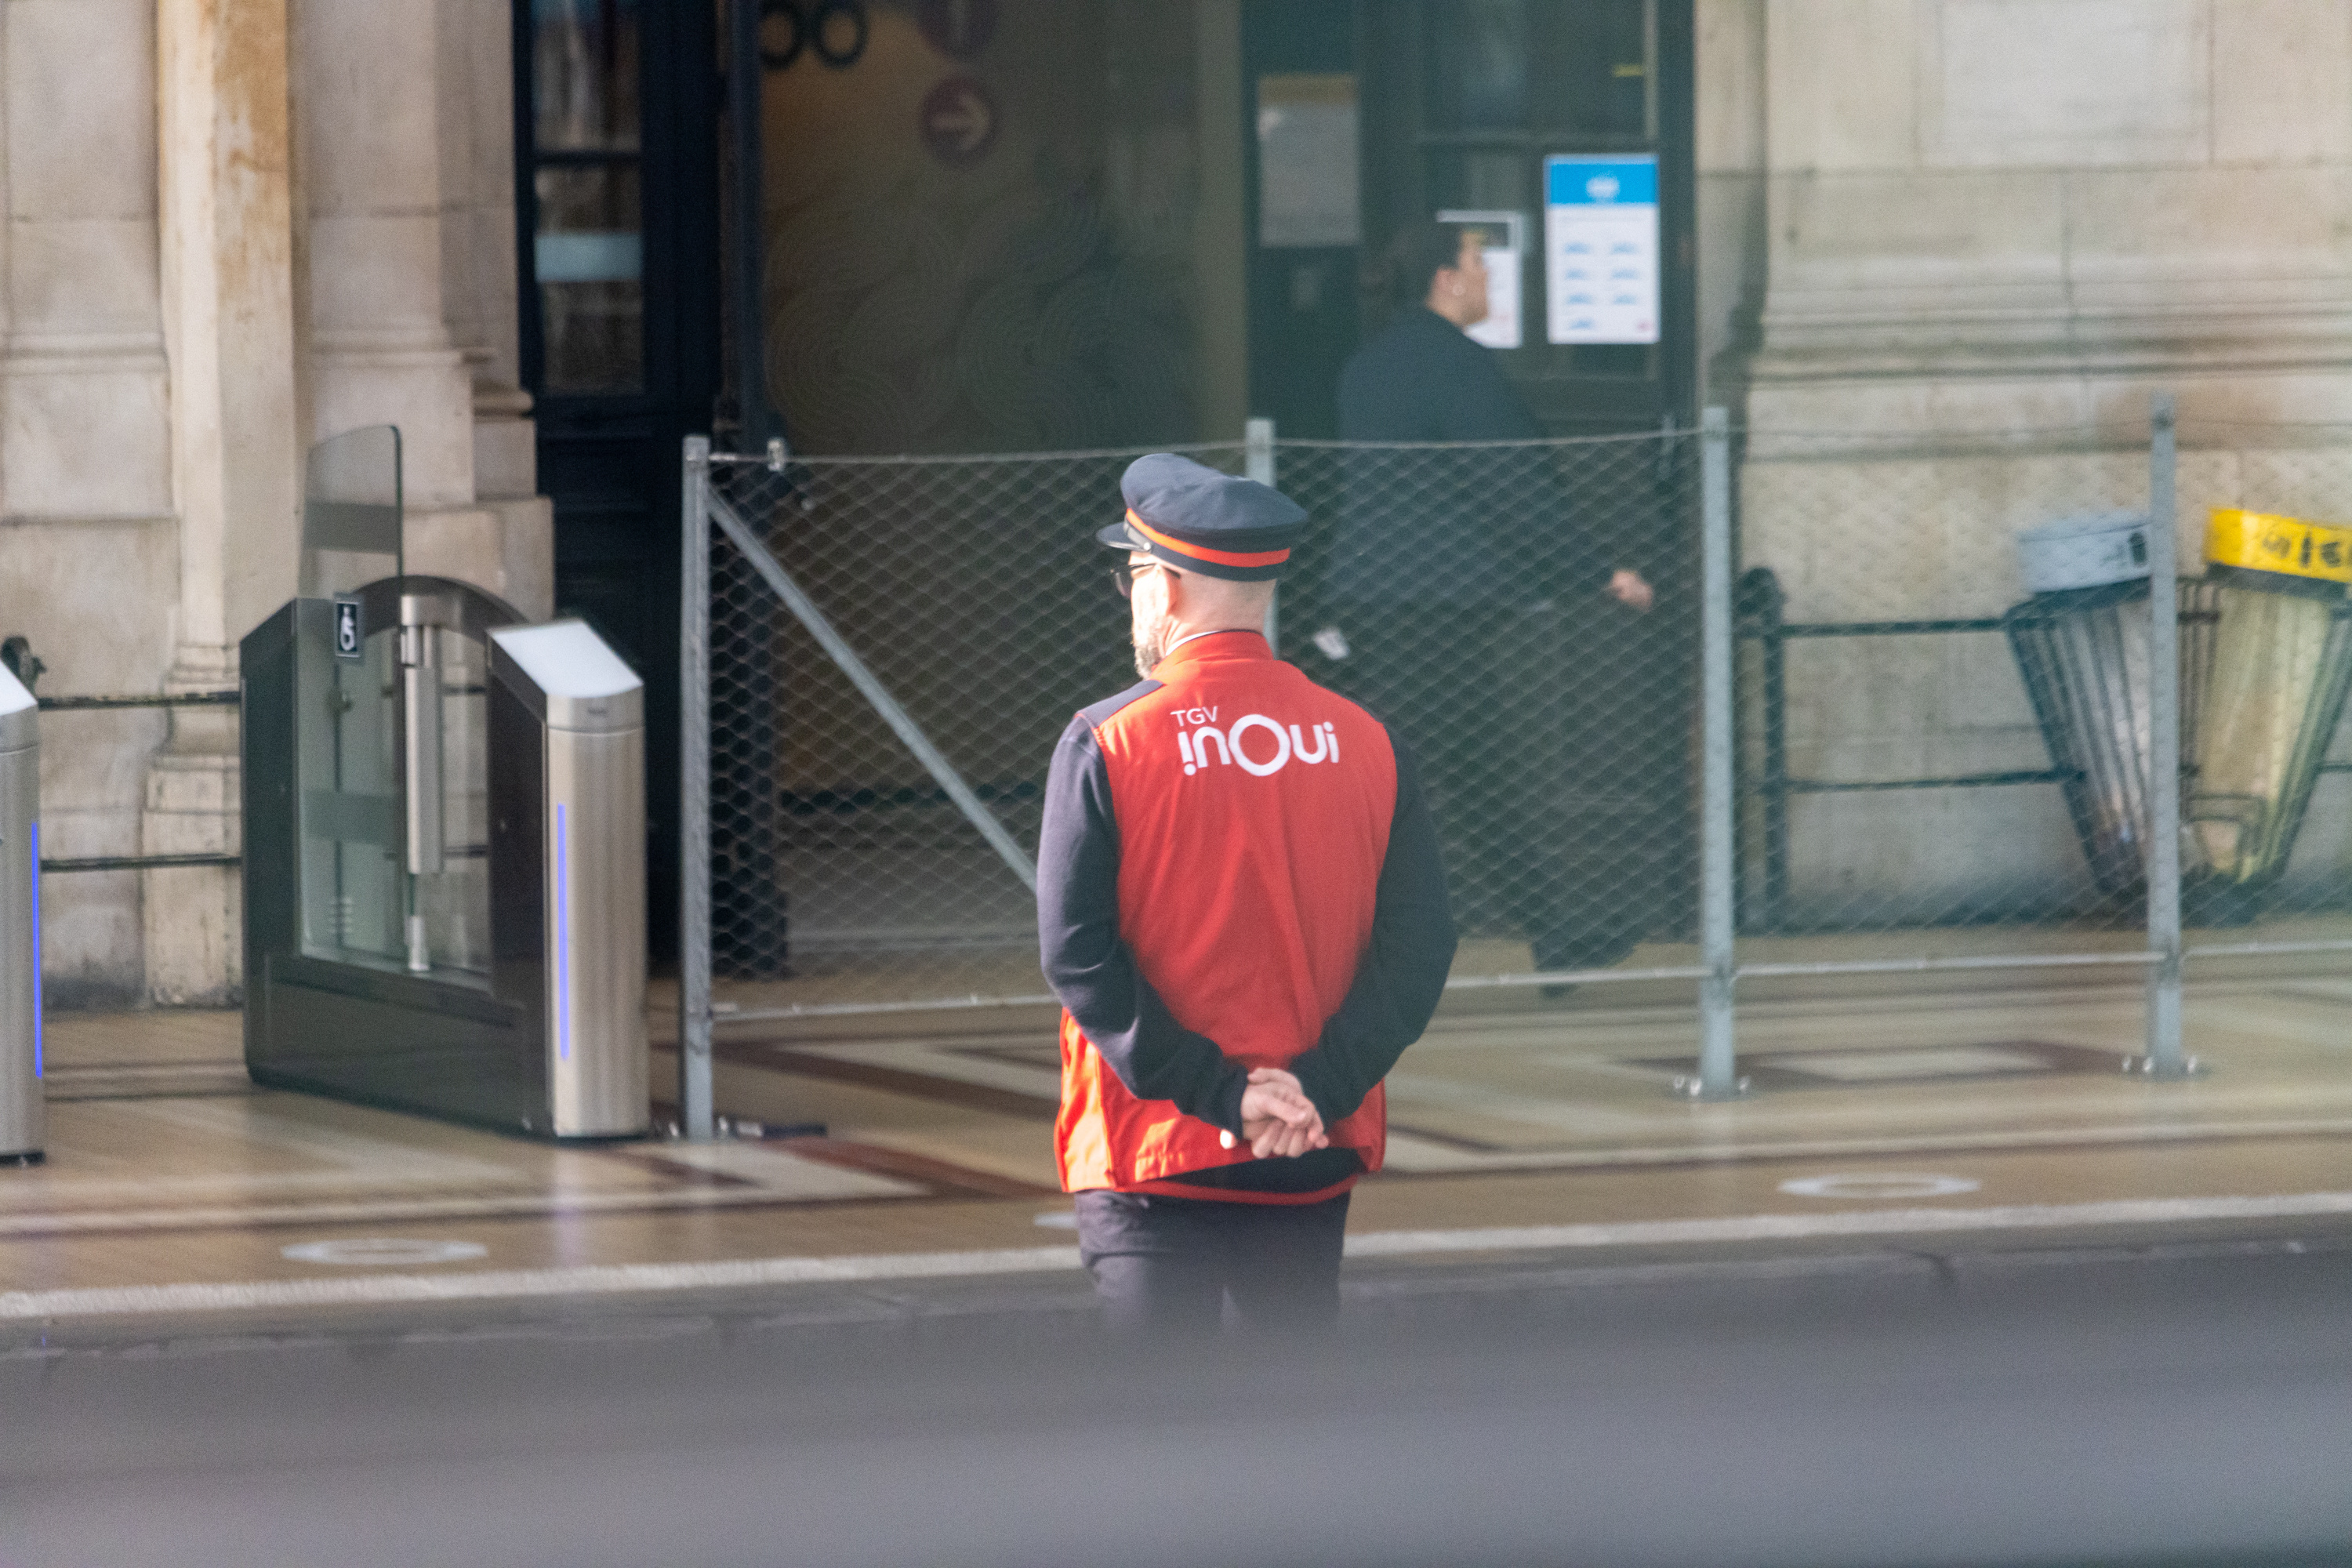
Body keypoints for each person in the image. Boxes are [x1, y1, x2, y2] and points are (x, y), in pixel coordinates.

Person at [1036, 452, 1457, 1336]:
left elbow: (1077, 951)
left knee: (1160, 1440)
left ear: (1172, 586)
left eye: (1136, 577)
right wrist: (1312, 1089)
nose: (1134, 598)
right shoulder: (1369, 740)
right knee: (1294, 1428)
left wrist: (1224, 1097)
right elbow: (1419, 947)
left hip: (1151, 1148)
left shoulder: (1107, 740)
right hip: (1309, 1145)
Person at [1322, 220, 1653, 978]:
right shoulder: (1457, 367)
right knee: (1438, 782)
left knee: (1460, 777)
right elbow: (1514, 486)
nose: (1489, 277)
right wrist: (1596, 573)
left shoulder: (1368, 366)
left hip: (1381, 602)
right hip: (1436, 607)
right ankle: (1319, 940)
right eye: (1479, 262)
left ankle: (1553, 933)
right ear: (1447, 278)